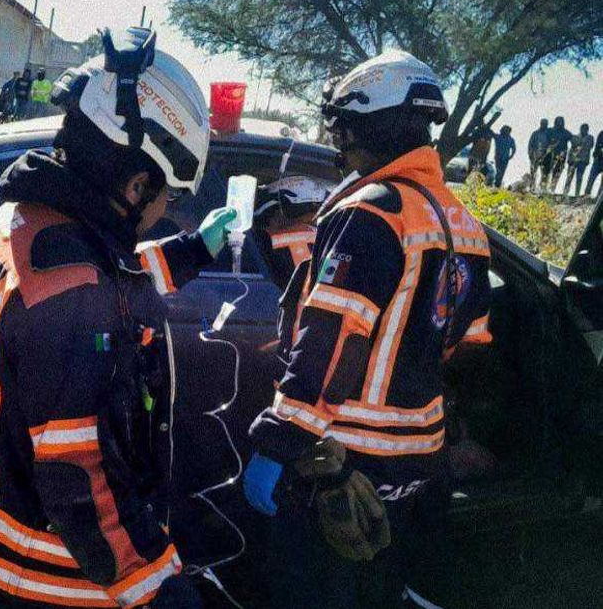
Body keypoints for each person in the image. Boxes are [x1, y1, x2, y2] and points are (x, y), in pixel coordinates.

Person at [0, 27, 237, 609]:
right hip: (8, 575)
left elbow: (110, 281)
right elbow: (79, 477)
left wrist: (193, 250)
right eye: (166, 197)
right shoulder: (68, 286)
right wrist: (157, 585)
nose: (162, 211)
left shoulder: (23, 223)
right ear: (135, 182)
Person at [242, 51, 493, 608]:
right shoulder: (464, 225)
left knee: (309, 591)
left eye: (345, 128)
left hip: (343, 460)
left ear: (371, 122)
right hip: (417, 457)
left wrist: (281, 437)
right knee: (375, 589)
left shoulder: (369, 213)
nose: (339, 144)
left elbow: (329, 343)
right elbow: (469, 340)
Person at [543, 116, 573, 194]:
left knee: (557, 173)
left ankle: (552, 189)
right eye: (558, 121)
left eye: (561, 121)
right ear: (555, 122)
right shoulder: (550, 131)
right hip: (549, 155)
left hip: (561, 157)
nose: (560, 123)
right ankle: (543, 188)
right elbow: (544, 142)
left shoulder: (566, 132)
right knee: (546, 172)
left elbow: (574, 141)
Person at [568, 124, 593, 196]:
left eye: (585, 129)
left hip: (583, 160)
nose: (584, 130)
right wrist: (569, 159)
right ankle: (565, 192)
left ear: (587, 130)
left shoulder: (590, 138)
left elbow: (589, 146)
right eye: (583, 128)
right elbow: (572, 148)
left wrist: (579, 144)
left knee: (579, 177)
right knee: (569, 177)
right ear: (580, 128)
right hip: (573, 160)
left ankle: (577, 194)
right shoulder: (575, 137)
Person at [527, 119, 549, 190]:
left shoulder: (548, 134)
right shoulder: (535, 133)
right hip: (535, 156)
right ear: (540, 124)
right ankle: (532, 187)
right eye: (543, 123)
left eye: (546, 124)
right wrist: (530, 154)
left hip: (545, 157)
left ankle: (542, 188)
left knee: (544, 174)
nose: (544, 125)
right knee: (533, 172)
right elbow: (530, 144)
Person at [587, 128, 603, 197]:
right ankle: (586, 195)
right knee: (591, 179)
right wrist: (596, 156)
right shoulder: (602, 133)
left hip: (598, 159)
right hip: (598, 160)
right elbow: (597, 146)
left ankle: (598, 197)